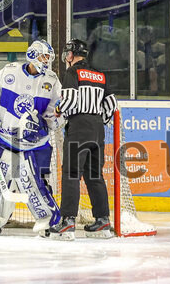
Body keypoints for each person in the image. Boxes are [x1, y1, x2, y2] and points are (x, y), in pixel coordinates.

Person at [0, 40, 62, 236]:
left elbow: (54, 114)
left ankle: (46, 222)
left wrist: (47, 125)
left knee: (34, 184)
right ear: (32, 55)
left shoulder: (51, 80)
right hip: (4, 140)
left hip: (33, 144)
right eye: (43, 56)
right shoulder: (8, 72)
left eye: (48, 57)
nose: (46, 61)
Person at [49, 38, 118, 240]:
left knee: (71, 173)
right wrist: (98, 120)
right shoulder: (99, 75)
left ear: (71, 55)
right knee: (95, 175)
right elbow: (111, 106)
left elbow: (69, 101)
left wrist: (59, 110)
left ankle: (68, 222)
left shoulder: (72, 72)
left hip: (79, 127)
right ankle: (102, 220)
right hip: (98, 129)